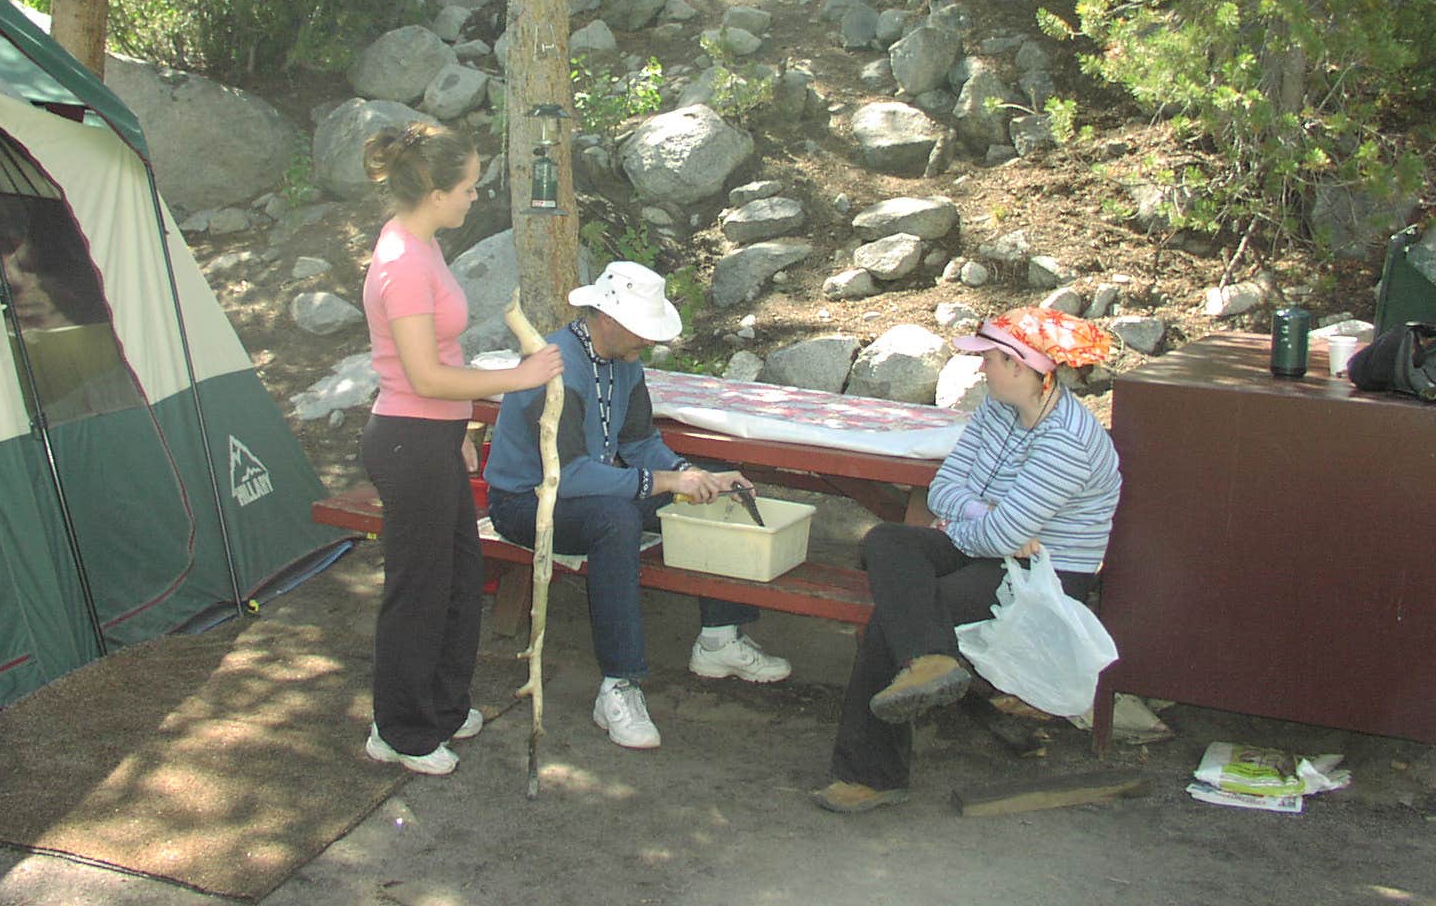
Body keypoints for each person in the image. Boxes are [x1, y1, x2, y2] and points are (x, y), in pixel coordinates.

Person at [813, 306, 1120, 812]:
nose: (981, 367)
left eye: (990, 359)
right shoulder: (998, 408)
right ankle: (931, 659)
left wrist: (987, 527)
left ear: (1020, 366)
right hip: (991, 549)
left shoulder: (1069, 440)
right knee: (885, 542)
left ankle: (874, 774)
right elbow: (944, 491)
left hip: (1045, 573)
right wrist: (985, 516)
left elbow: (1003, 535)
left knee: (897, 614)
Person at [485, 261, 793, 750]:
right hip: (528, 502)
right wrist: (666, 481)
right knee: (616, 520)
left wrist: (693, 474)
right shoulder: (556, 368)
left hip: (587, 488)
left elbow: (640, 441)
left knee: (716, 486)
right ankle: (619, 684)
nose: (648, 341)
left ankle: (719, 637)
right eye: (641, 329)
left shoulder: (624, 361)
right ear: (607, 318)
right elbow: (568, 476)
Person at [357, 122, 564, 777]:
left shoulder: (424, 245)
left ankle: (441, 707)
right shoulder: (400, 263)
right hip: (406, 441)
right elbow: (423, 376)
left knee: (457, 579)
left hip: (433, 438)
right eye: (469, 187)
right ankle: (399, 730)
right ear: (436, 192)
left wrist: (461, 432)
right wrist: (518, 379)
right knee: (418, 589)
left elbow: (439, 357)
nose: (475, 197)